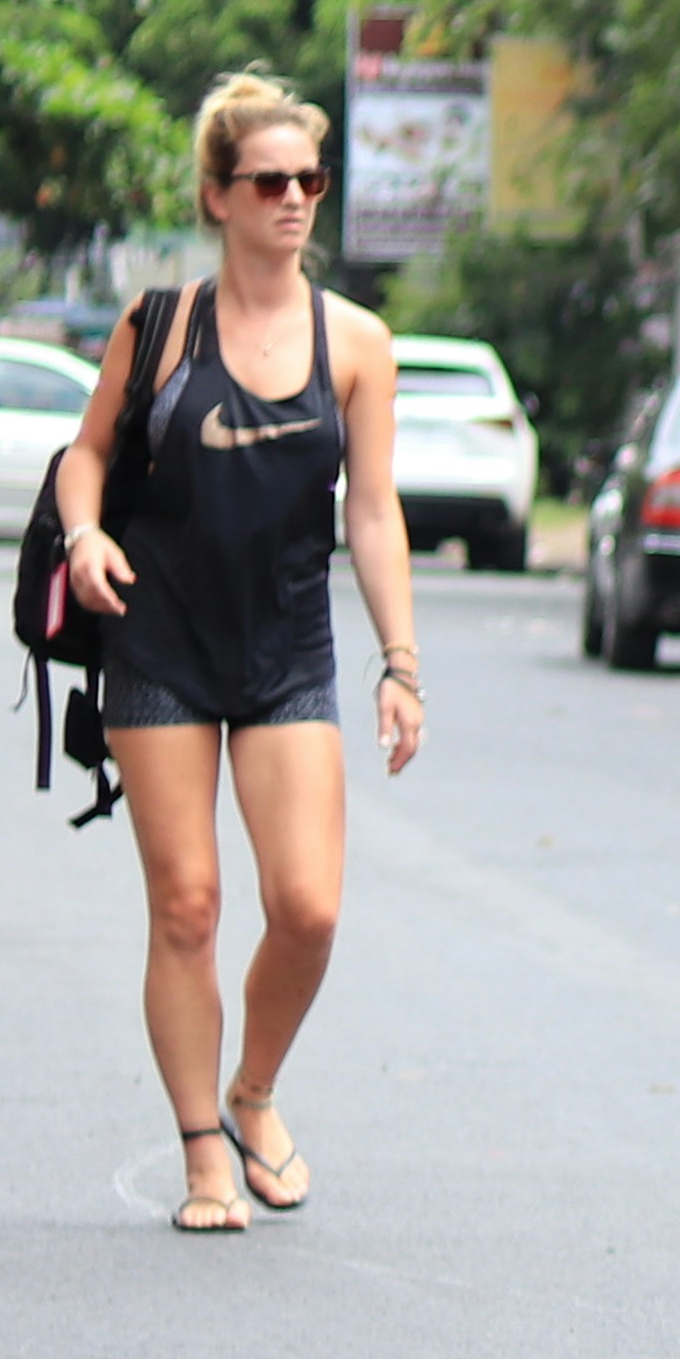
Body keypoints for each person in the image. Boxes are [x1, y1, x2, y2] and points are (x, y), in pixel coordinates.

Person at [42, 73, 424, 1239]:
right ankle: (203, 1153)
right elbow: (86, 452)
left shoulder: (355, 342)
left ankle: (253, 1089)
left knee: (306, 908)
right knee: (188, 908)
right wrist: (86, 530)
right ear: (219, 196)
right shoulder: (157, 326)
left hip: (286, 648)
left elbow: (371, 511)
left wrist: (400, 662)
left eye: (311, 178)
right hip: (159, 640)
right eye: (271, 181)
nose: (296, 198)